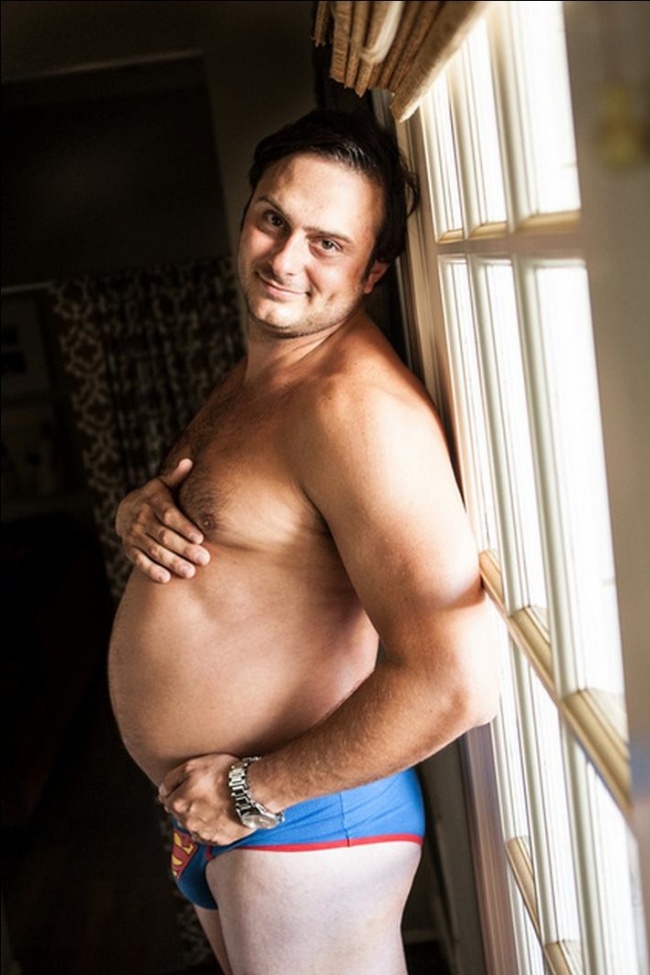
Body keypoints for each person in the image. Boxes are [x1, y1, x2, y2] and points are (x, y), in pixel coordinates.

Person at [109, 107, 500, 975]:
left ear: (372, 272)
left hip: (303, 819)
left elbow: (457, 678)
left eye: (327, 243)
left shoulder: (353, 408)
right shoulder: (265, 372)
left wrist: (253, 791)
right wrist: (139, 510)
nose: (285, 258)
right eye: (273, 219)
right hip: (229, 815)